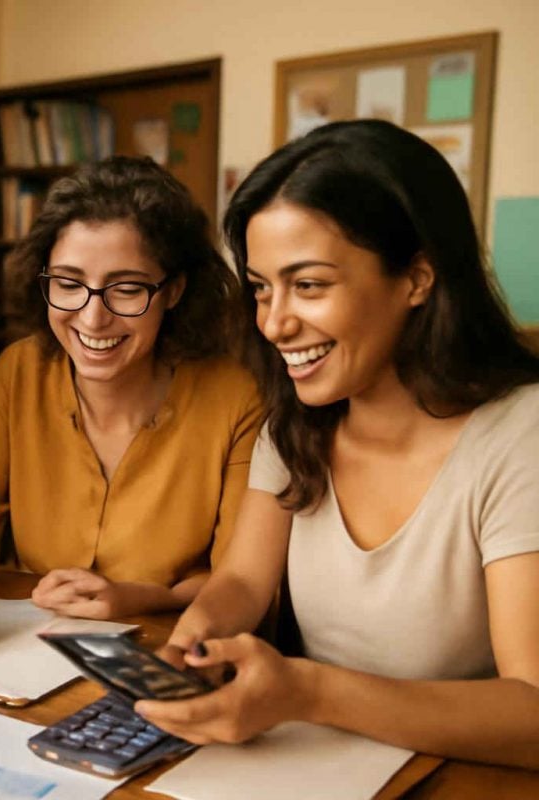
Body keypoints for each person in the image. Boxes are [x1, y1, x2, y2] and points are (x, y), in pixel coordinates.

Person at [135, 120, 539, 768]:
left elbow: (532, 712)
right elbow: (242, 579)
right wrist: (195, 642)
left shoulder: (520, 435)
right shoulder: (294, 424)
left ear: (417, 278)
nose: (273, 322)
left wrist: (308, 691)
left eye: (310, 285)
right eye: (262, 288)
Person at [0, 157, 263, 658]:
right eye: (69, 284)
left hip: (176, 656)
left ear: (174, 291)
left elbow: (242, 583)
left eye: (127, 288)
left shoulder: (234, 396)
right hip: (33, 659)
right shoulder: (21, 372)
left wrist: (136, 598)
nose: (93, 318)